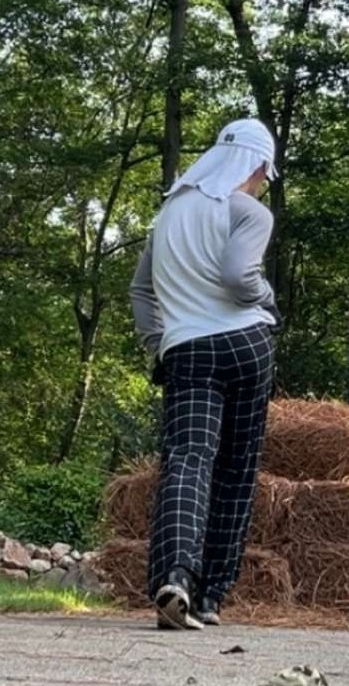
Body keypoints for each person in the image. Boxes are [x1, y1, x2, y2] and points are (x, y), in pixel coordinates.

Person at [130, 117, 280, 630]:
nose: (261, 184)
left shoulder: (168, 215)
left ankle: (176, 578)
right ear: (258, 165)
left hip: (188, 351)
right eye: (264, 175)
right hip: (245, 346)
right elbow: (240, 276)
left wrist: (159, 342)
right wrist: (267, 298)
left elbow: (141, 291)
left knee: (187, 461)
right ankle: (212, 594)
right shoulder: (248, 211)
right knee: (236, 470)